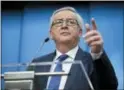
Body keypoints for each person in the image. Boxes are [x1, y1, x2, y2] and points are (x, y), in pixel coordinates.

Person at [28, 6, 118, 90]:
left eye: (71, 22)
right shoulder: (37, 64)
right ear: (51, 34)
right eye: (59, 22)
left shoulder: (92, 61)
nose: (64, 26)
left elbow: (109, 86)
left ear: (80, 32)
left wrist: (98, 53)